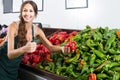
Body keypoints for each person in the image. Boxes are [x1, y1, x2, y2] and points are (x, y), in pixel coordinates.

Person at [0, 1, 70, 80]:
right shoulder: (13, 26)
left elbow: (51, 47)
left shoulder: (37, 30)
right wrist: (24, 49)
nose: (27, 14)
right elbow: (10, 54)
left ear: (35, 14)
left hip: (13, 68)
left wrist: (61, 48)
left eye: (31, 11)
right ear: (21, 12)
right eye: (25, 10)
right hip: (2, 63)